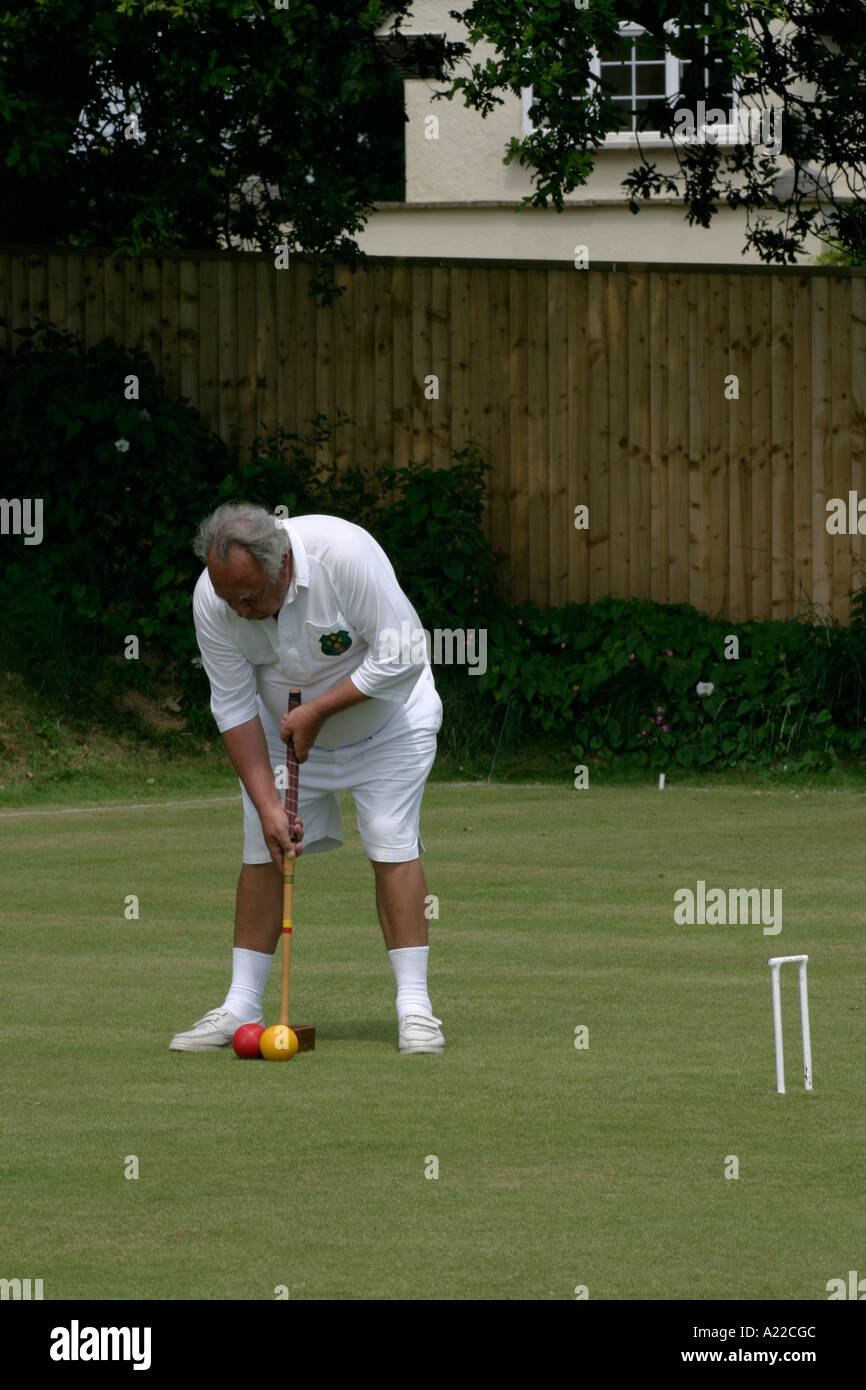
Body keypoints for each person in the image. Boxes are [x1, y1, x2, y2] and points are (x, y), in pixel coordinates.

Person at [169, 502, 445, 1055]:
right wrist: (268, 805)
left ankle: (416, 1010)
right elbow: (232, 704)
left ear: (284, 565)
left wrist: (317, 713)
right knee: (262, 847)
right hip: (283, 735)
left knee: (390, 839)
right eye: (230, 598)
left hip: (389, 726)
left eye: (249, 596)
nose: (239, 609)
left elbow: (407, 653)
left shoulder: (343, 555)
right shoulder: (216, 599)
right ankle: (240, 1006)